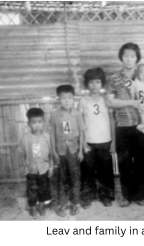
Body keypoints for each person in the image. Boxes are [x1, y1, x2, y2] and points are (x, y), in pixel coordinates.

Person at [107, 42, 144, 207]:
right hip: (123, 126)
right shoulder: (114, 79)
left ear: (137, 58)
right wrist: (132, 103)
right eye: (126, 55)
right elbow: (111, 102)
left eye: (132, 56)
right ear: (121, 57)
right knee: (124, 161)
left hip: (143, 125)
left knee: (142, 161)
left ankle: (139, 195)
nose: (129, 59)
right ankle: (125, 196)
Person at [79, 67, 115, 208]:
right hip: (89, 142)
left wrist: (114, 141)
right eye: (91, 82)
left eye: (98, 82)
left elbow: (112, 120)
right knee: (87, 170)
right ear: (87, 84)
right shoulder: (83, 101)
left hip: (105, 141)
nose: (94, 85)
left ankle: (106, 196)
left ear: (102, 84)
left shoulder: (107, 100)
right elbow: (80, 123)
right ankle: (88, 196)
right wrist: (82, 143)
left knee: (105, 170)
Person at [50, 84, 85, 217]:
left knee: (75, 177)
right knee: (61, 178)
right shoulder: (54, 115)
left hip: (74, 150)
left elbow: (81, 133)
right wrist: (53, 152)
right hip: (60, 151)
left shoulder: (77, 114)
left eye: (69, 98)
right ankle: (62, 203)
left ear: (73, 99)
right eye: (63, 98)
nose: (66, 100)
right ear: (58, 99)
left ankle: (75, 203)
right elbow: (52, 134)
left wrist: (81, 151)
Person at [20, 108, 53, 219]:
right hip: (31, 169)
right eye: (34, 122)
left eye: (40, 122)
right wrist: (25, 166)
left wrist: (51, 166)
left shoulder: (47, 137)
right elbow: (23, 154)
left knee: (43, 189)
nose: (37, 125)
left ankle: (41, 206)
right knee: (32, 190)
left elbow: (51, 153)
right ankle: (33, 207)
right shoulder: (25, 138)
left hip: (44, 168)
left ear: (43, 122)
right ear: (29, 123)